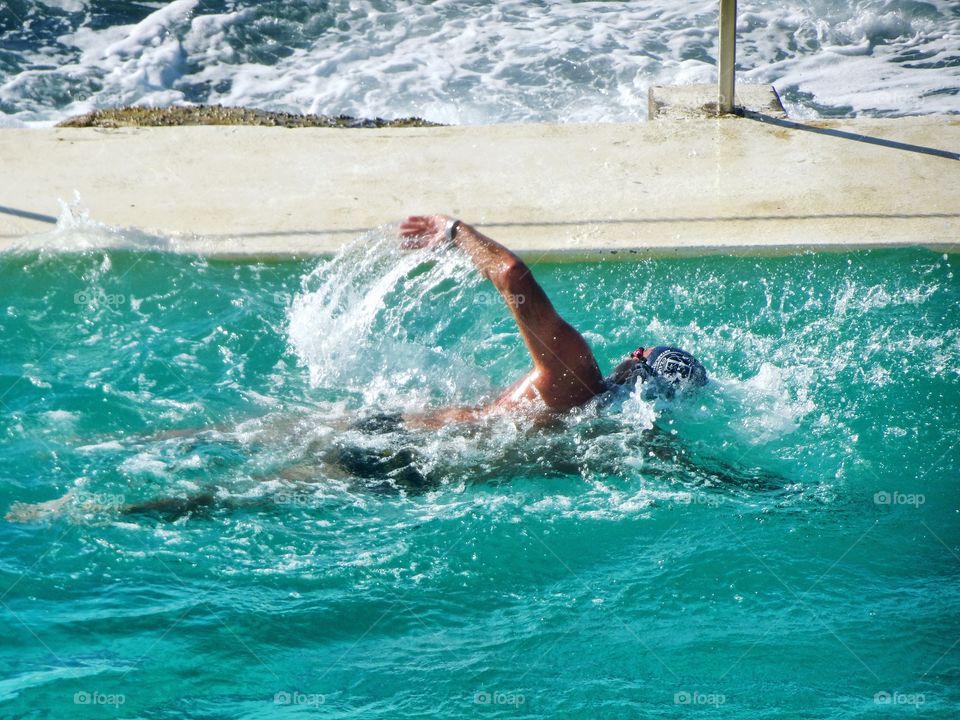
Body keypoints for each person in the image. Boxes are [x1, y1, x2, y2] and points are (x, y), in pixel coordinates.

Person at [396, 215, 707, 429]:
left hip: (402, 444)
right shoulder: (611, 432)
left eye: (638, 352)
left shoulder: (575, 372)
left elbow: (513, 275)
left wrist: (453, 230)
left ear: (636, 366)